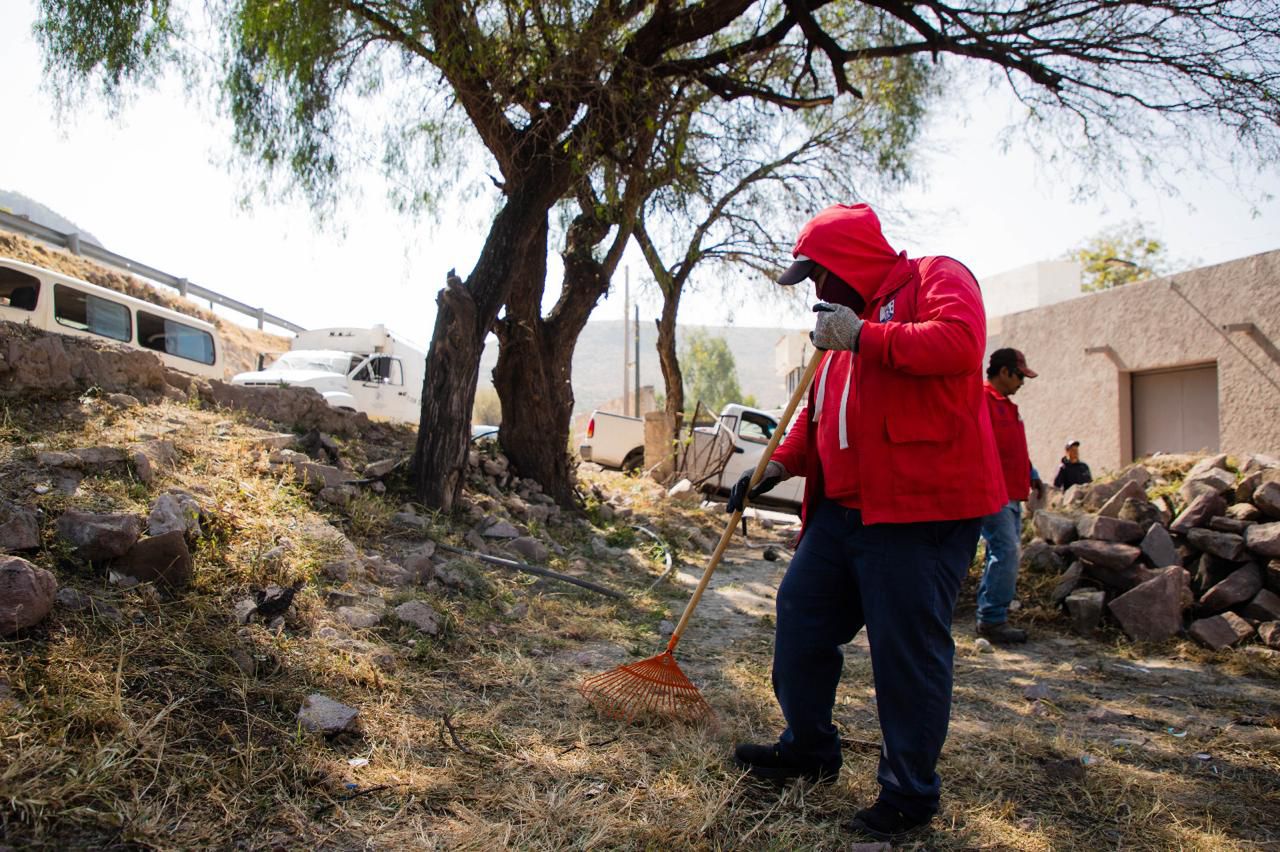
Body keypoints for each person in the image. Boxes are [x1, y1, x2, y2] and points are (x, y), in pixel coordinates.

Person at [725, 203, 1004, 842]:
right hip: (842, 512)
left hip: (918, 511)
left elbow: (959, 343)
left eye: (819, 275)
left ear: (848, 262)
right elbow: (817, 411)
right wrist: (772, 468)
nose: (815, 292)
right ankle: (809, 747)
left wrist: (866, 338)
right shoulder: (838, 328)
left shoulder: (935, 276)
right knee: (801, 617)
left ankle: (908, 794)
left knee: (905, 653)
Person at [976, 348, 1044, 645]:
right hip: (992, 492)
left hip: (1011, 494)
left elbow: (1012, 449)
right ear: (1004, 372)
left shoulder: (1006, 405)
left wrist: (1032, 474)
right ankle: (991, 619)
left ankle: (989, 614)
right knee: (1006, 550)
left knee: (1003, 551)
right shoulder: (981, 400)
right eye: (1019, 376)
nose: (1022, 382)